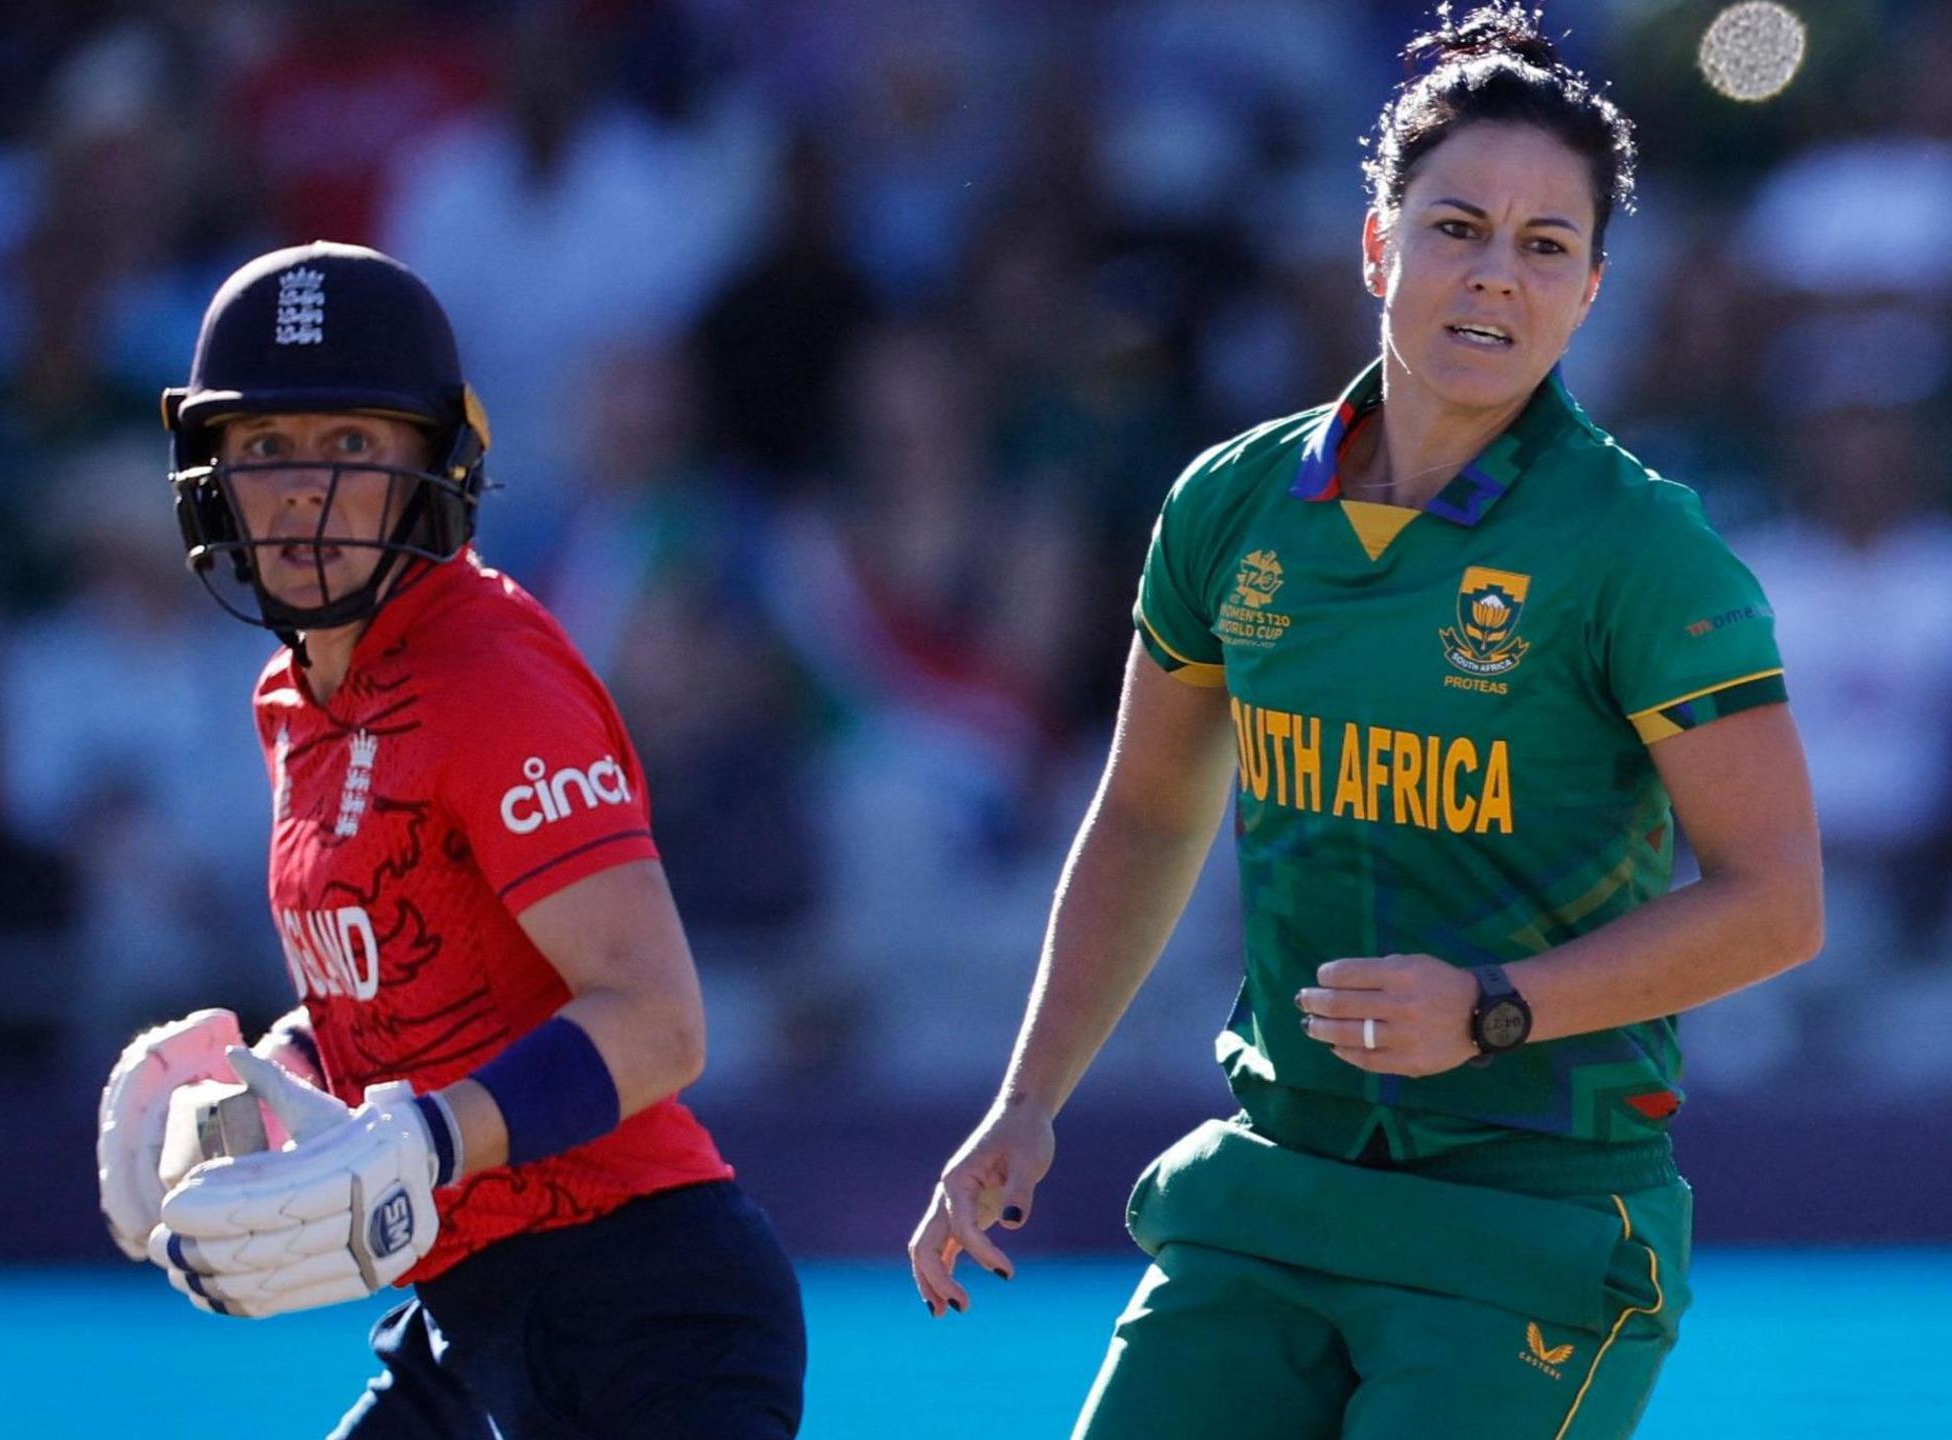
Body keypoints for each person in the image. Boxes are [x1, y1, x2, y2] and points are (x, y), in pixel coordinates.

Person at [906, 9, 1824, 1439]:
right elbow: (1147, 811)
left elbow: (1777, 904)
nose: (1495, 277)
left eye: (1545, 246)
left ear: (1589, 292)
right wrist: (1028, 1101)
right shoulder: (1230, 504)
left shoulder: (1647, 552)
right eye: (1458, 226)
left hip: (1529, 1218)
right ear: (1377, 246)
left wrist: (1494, 1007)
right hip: (1275, 1183)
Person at [93, 242, 804, 1439]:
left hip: (643, 1312)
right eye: (265, 450)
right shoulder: (296, 694)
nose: (304, 496)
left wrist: (423, 1135)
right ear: (209, 474)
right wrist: (277, 1085)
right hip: (467, 1319)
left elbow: (657, 1019)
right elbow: (427, 989)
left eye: (352, 448)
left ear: (440, 468)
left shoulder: (487, 672)